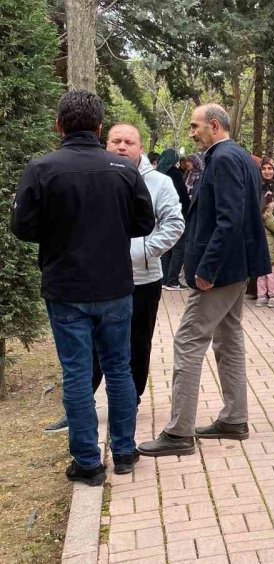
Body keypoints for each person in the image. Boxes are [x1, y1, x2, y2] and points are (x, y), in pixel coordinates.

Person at [12, 91, 155, 484]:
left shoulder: (42, 169)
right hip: (113, 286)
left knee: (77, 373)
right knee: (119, 369)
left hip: (66, 288)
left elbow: (22, 227)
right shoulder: (124, 170)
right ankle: (124, 451)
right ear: (98, 127)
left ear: (59, 126)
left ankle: (89, 462)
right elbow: (144, 224)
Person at [137, 104, 270, 457]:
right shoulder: (238, 156)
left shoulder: (224, 158)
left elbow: (229, 220)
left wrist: (207, 270)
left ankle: (179, 432)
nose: (192, 133)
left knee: (188, 340)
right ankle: (234, 419)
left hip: (222, 270)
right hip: (237, 267)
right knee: (228, 338)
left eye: (195, 127)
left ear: (214, 125)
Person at [44, 124, 186, 435]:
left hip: (142, 278)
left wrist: (139, 252)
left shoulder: (160, 183)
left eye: (129, 142)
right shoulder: (94, 176)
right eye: (115, 140)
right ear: (104, 143)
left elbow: (174, 224)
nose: (122, 146)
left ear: (141, 147)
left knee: (136, 344)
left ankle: (127, 405)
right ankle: (78, 409)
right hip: (96, 278)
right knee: (88, 347)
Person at [157, 149, 191, 290]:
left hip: (162, 214)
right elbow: (182, 194)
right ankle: (173, 280)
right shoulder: (175, 174)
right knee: (179, 247)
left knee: (166, 247)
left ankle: (164, 279)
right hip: (178, 213)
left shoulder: (158, 173)